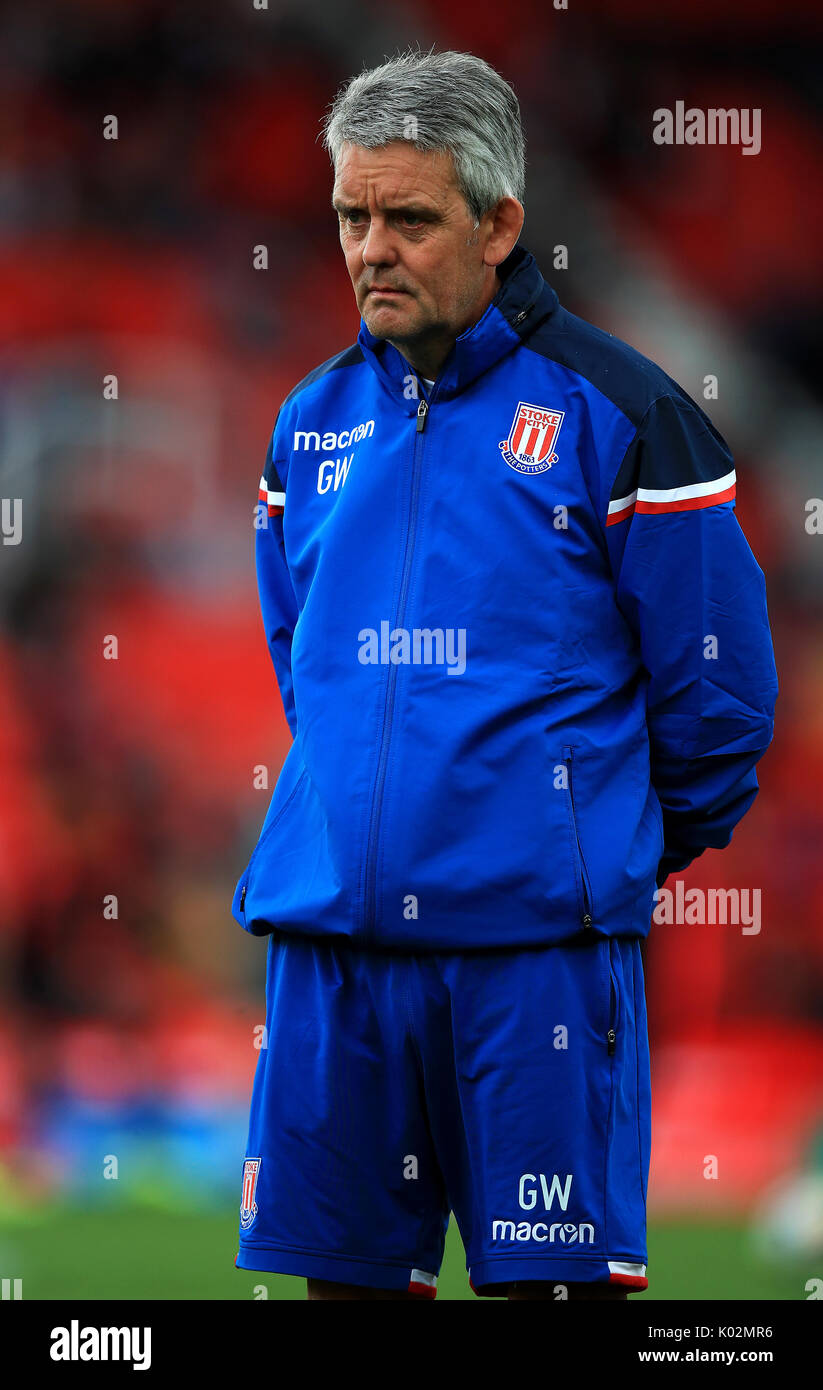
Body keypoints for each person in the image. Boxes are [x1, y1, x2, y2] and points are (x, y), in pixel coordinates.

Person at [231, 49, 778, 1301]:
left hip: (532, 957)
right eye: (350, 218)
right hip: (330, 955)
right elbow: (302, 669)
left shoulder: (625, 413)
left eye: (408, 218)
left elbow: (719, 691)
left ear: (499, 223)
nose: (371, 248)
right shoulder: (305, 424)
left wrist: (591, 842)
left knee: (551, 1295)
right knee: (339, 1292)